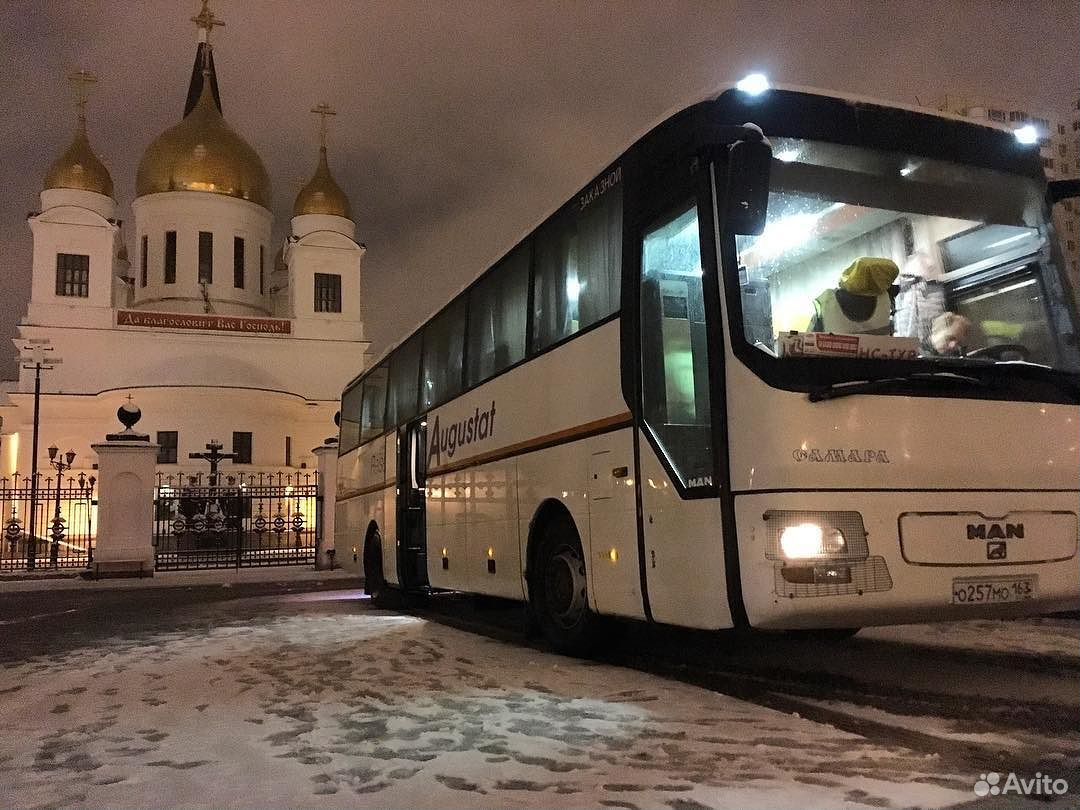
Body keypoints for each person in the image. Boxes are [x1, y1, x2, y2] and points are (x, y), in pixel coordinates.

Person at [809, 257, 899, 335]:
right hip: (878, 353)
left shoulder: (826, 300)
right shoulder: (885, 299)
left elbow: (808, 340)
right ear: (880, 280)